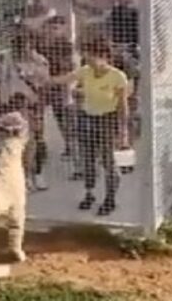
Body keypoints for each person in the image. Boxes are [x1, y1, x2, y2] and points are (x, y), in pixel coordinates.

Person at [48, 37, 130, 216]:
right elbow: (62, 80)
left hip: (108, 119)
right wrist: (43, 77)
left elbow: (123, 105)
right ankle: (90, 193)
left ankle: (110, 198)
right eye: (88, 55)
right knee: (88, 158)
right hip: (87, 118)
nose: (89, 60)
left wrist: (123, 132)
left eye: (93, 56)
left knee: (109, 161)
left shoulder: (118, 76)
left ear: (104, 56)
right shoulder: (86, 71)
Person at [0, 26, 50, 190]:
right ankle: (16, 177)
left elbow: (43, 89)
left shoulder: (40, 61)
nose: (21, 46)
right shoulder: (1, 58)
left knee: (35, 142)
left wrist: (40, 113)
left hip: (31, 107)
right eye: (17, 41)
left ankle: (36, 174)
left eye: (25, 41)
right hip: (8, 106)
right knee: (9, 143)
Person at [34, 15, 77, 165]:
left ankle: (70, 145)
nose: (52, 31)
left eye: (56, 28)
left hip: (59, 84)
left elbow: (69, 67)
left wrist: (63, 83)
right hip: (41, 85)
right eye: (50, 27)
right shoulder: (39, 45)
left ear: (62, 29)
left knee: (63, 117)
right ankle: (40, 145)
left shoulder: (66, 45)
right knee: (37, 115)